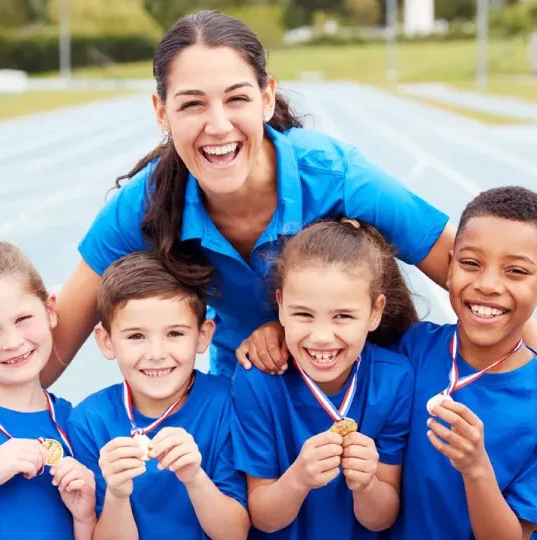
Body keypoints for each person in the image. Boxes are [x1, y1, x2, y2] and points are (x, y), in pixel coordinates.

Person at [42, 9, 455, 385]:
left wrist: (522, 370)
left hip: (365, 387)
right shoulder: (144, 202)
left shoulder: (336, 175)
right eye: (192, 104)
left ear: (267, 97)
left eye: (237, 98)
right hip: (249, 389)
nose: (218, 125)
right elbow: (53, 349)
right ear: (162, 112)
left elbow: (475, 277)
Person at [231, 219, 416, 538]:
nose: (321, 336)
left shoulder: (395, 379)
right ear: (281, 306)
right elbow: (263, 517)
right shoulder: (257, 381)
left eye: (343, 316)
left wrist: (368, 484)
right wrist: (299, 478)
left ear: (375, 312)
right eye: (303, 314)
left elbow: (382, 519)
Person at [387, 186, 537, 540]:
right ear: (450, 267)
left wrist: (475, 468)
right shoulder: (412, 347)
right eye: (471, 263)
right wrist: (274, 332)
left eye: (515, 271)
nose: (487, 284)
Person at [66, 251, 249, 540]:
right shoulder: (89, 421)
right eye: (136, 336)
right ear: (106, 341)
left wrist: (194, 477)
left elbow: (235, 533)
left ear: (203, 335)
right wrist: (117, 493)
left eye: (175, 333)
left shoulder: (228, 403)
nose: (156, 354)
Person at [0, 241, 96, 539]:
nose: (13, 342)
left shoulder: (78, 423)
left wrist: (85, 517)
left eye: (22, 319)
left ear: (50, 310)